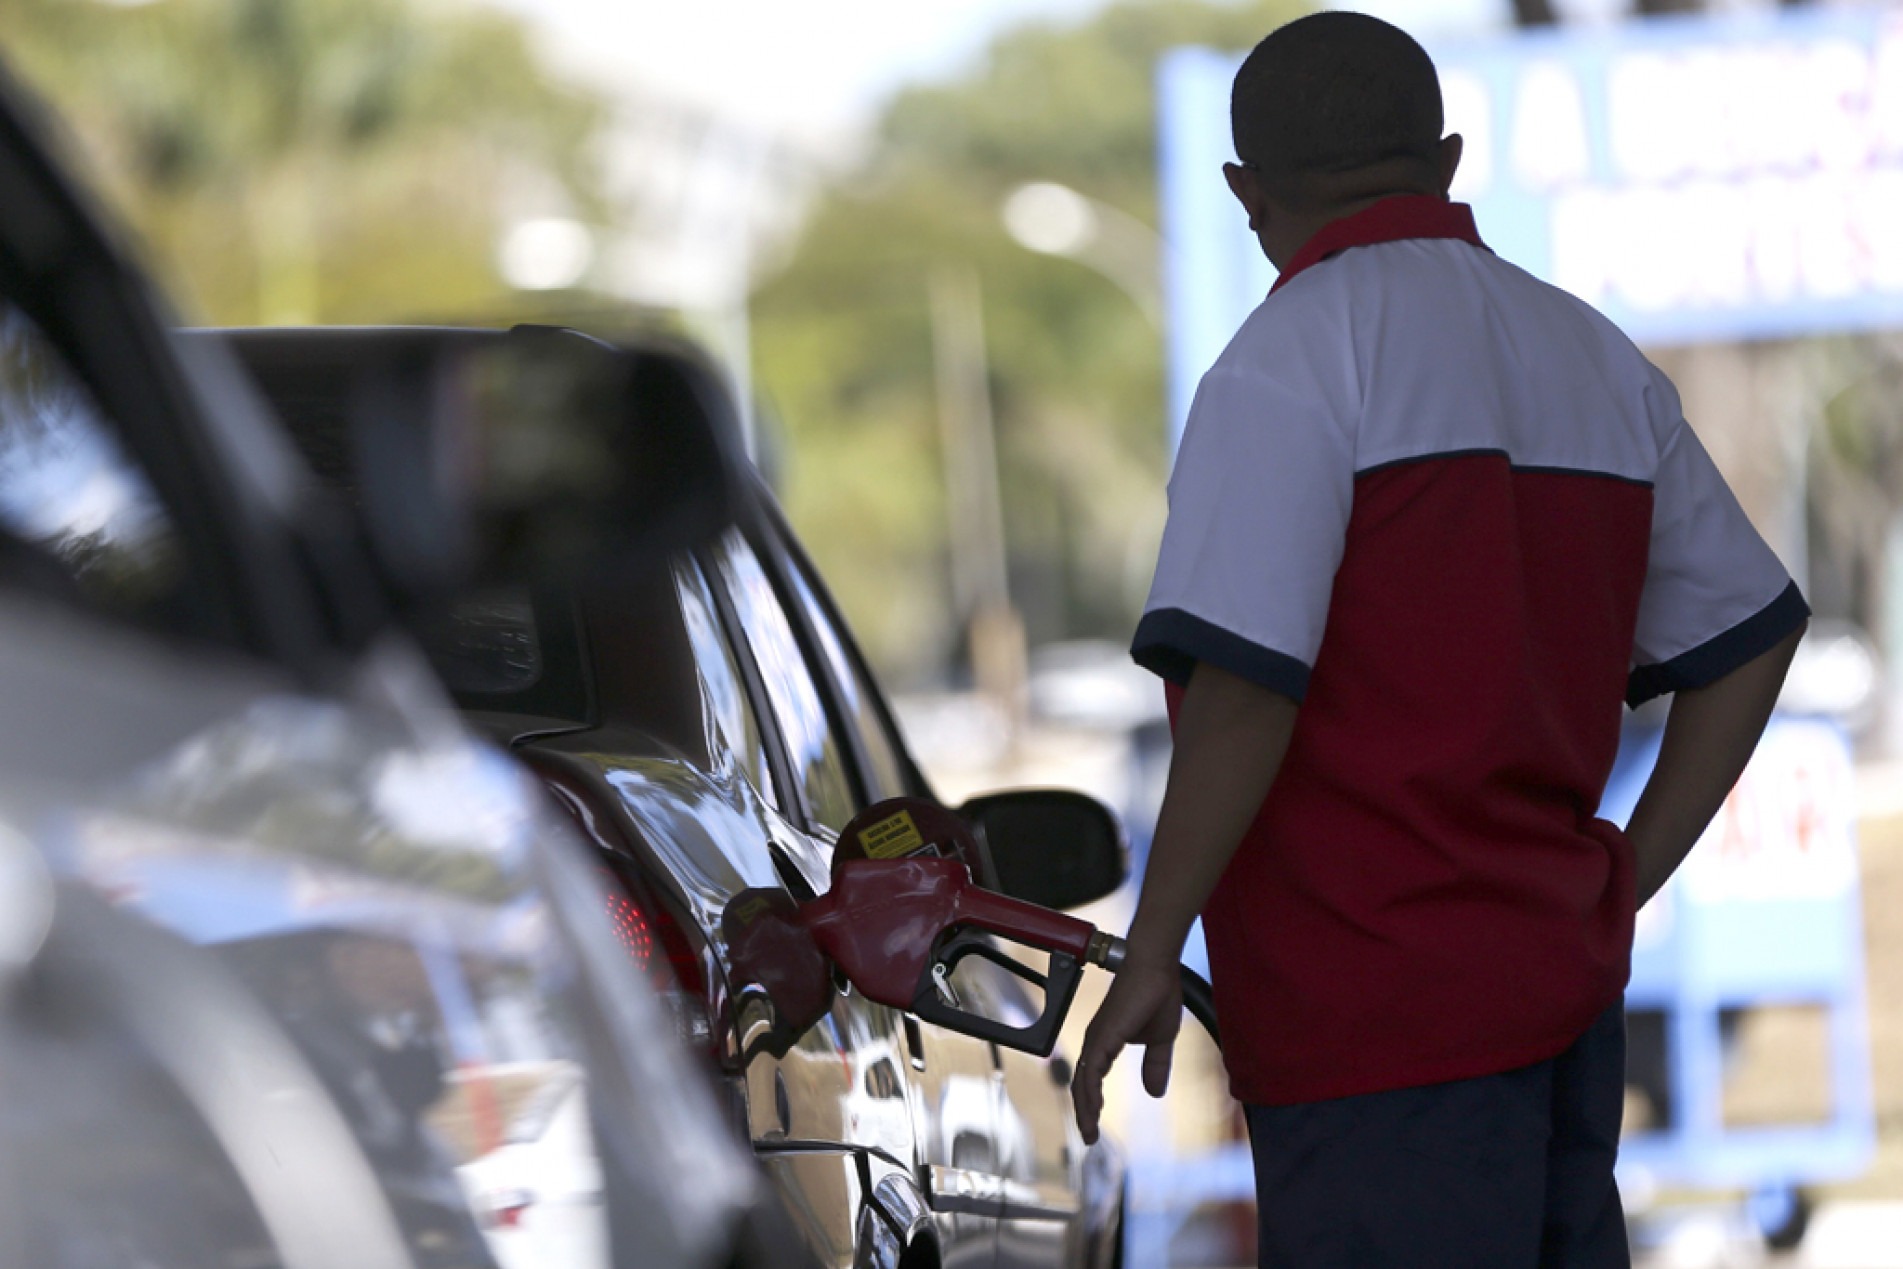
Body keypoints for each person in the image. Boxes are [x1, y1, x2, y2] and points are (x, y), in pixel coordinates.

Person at [1069, 12, 1807, 1265]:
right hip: (1558, 1000)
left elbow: (1245, 691)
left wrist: (1151, 948)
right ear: (1449, 159)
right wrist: (1619, 880)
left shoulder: (1288, 362)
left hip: (1369, 1024)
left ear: (1246, 193)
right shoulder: (1590, 356)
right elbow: (1750, 635)